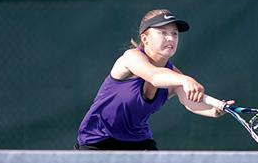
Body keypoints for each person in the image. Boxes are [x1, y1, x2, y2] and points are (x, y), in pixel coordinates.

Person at [75, 9, 233, 150]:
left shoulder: (174, 76)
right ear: (145, 39)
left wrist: (213, 110)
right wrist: (185, 80)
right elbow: (154, 75)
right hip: (97, 139)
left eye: (174, 33)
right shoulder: (131, 58)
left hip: (138, 141)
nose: (170, 38)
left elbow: (189, 101)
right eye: (163, 32)